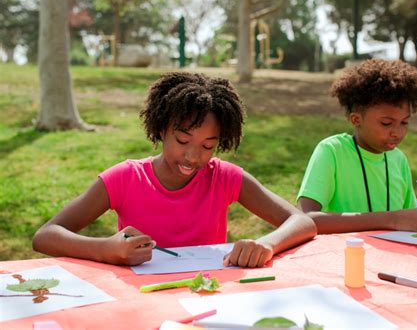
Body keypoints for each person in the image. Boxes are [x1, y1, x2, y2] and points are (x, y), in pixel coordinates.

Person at [33, 72, 317, 267]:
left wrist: (267, 243)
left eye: (208, 146)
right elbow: (45, 236)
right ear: (160, 129)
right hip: (140, 296)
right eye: (182, 141)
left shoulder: (224, 177)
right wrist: (106, 249)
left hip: (206, 293)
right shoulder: (125, 179)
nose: (193, 156)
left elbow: (303, 222)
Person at [297, 59, 417, 234]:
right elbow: (306, 218)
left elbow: (410, 221)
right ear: (356, 120)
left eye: (404, 122)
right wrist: (392, 219)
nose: (397, 132)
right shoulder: (332, 151)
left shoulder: (398, 159)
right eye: (386, 123)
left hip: (391, 260)